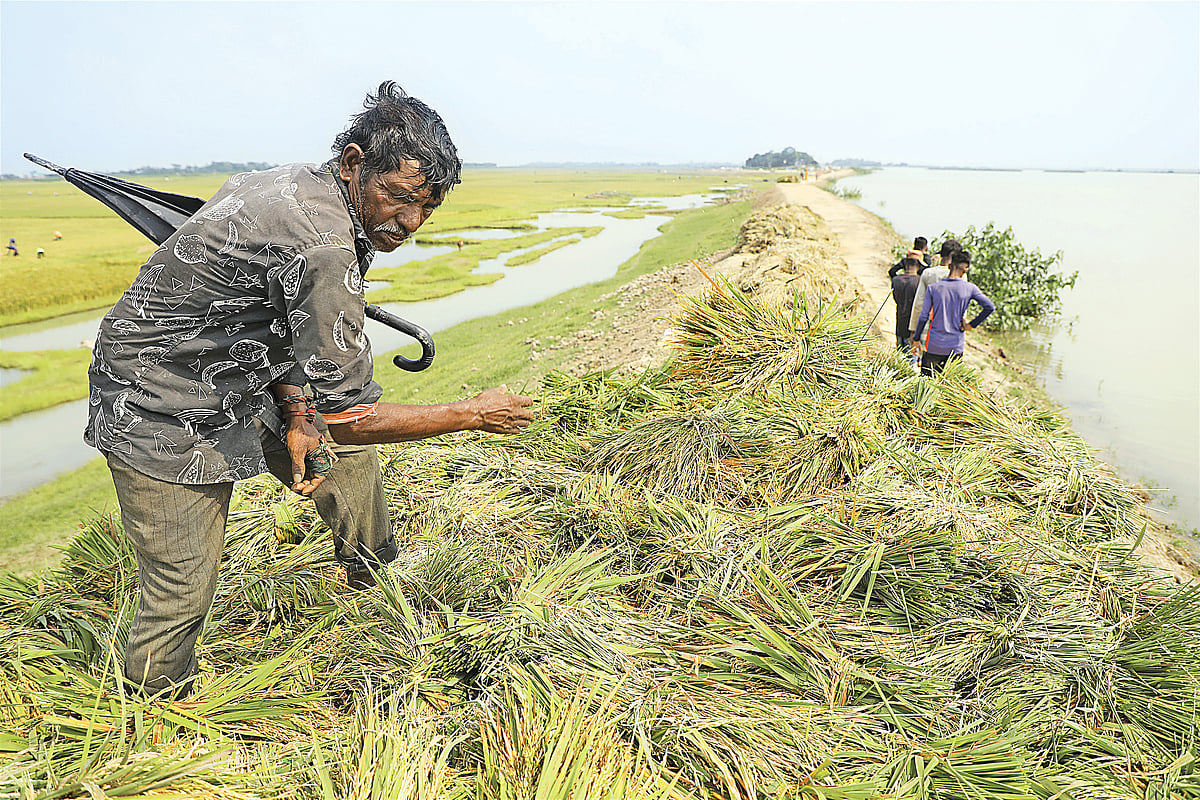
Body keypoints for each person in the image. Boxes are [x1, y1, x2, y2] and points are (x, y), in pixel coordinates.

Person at [86, 81, 535, 699]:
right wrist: (469, 415)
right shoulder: (323, 244)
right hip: (160, 397)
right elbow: (355, 415)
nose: (408, 224)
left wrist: (301, 409)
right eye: (398, 198)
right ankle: (154, 706)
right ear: (354, 165)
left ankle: (375, 573)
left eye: (425, 209)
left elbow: (282, 316)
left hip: (243, 364)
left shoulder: (309, 186)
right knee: (183, 577)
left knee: (338, 453)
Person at [911, 249, 995, 376]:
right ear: (965, 269)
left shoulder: (933, 288)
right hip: (955, 347)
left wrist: (916, 339)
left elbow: (923, 316)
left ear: (949, 266)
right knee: (949, 387)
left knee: (927, 386)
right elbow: (989, 307)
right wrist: (971, 325)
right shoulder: (969, 288)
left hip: (934, 345)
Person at [906, 238, 960, 347]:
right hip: (949, 329)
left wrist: (913, 330)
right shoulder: (960, 276)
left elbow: (918, 303)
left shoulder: (928, 273)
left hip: (926, 327)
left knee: (922, 360)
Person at [891, 255, 921, 360]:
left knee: (899, 359)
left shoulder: (896, 280)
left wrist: (901, 264)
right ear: (918, 265)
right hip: (913, 329)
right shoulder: (919, 282)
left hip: (899, 325)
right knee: (911, 361)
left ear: (905, 264)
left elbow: (891, 271)